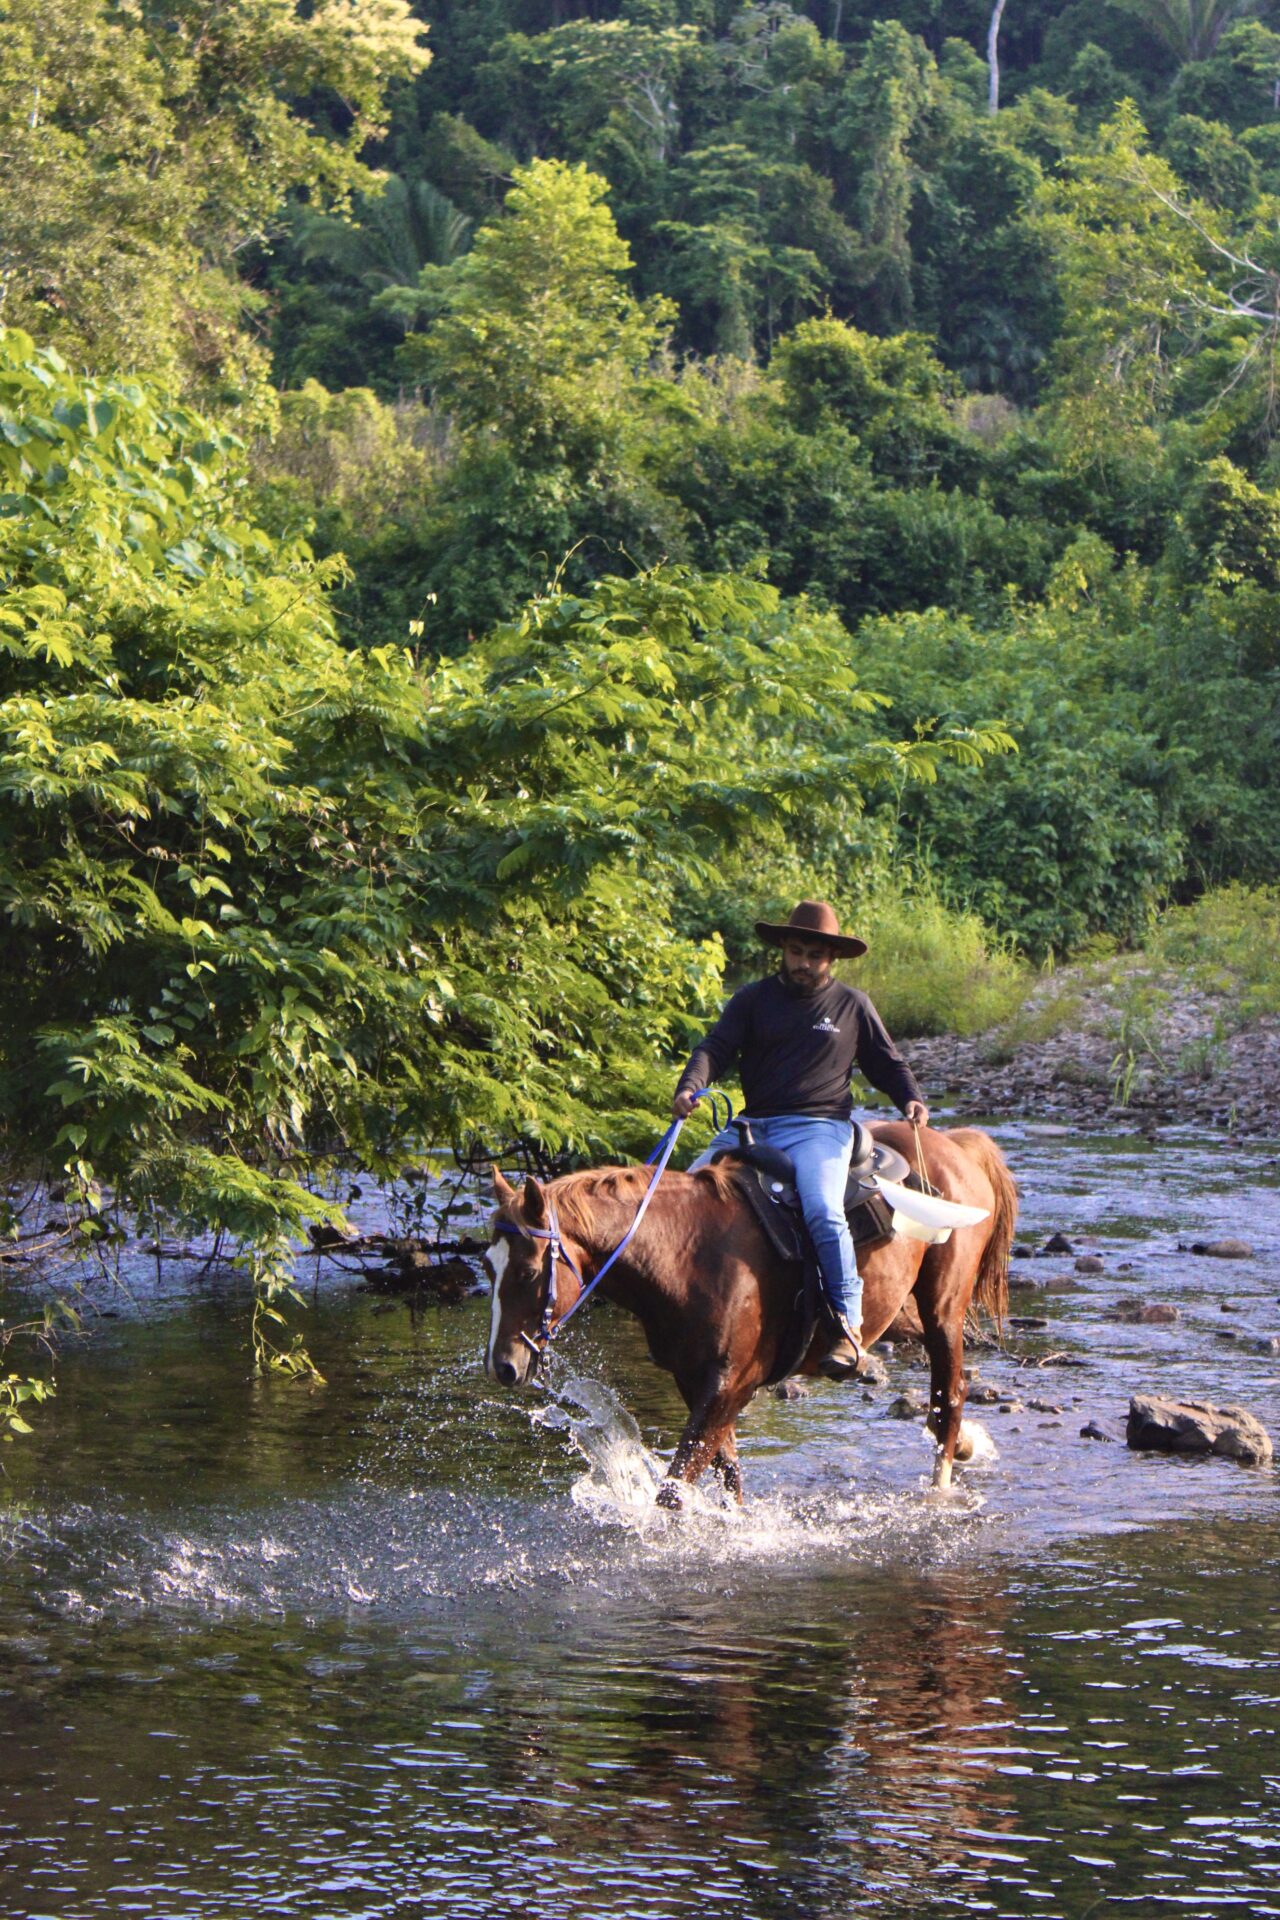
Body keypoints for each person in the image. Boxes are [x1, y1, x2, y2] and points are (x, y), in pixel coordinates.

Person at [672, 899, 930, 1379]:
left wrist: (910, 1098)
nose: (804, 963)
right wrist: (690, 1086)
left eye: (814, 955)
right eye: (796, 952)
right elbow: (715, 1048)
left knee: (822, 1209)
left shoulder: (852, 1006)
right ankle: (681, 1315)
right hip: (755, 1124)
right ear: (783, 951)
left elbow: (885, 1062)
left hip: (821, 1129)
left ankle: (849, 1328)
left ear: (831, 959)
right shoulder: (752, 1000)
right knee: (681, 1197)